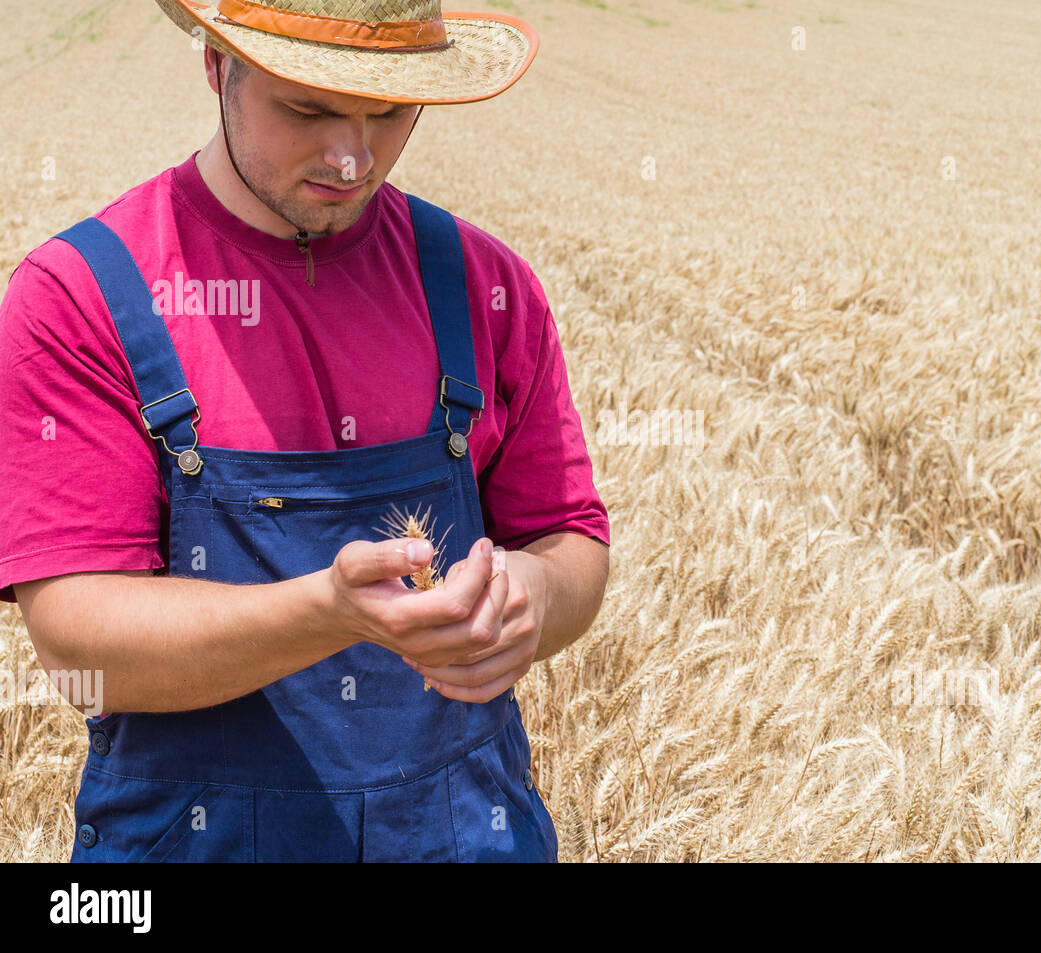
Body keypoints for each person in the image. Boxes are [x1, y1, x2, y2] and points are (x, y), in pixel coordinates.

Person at [0, 0, 611, 862]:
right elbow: (77, 643)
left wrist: (533, 599)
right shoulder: (79, 297)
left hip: (464, 832)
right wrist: (329, 612)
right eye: (309, 108)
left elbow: (572, 538)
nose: (352, 157)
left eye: (390, 112)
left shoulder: (487, 283)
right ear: (217, 67)